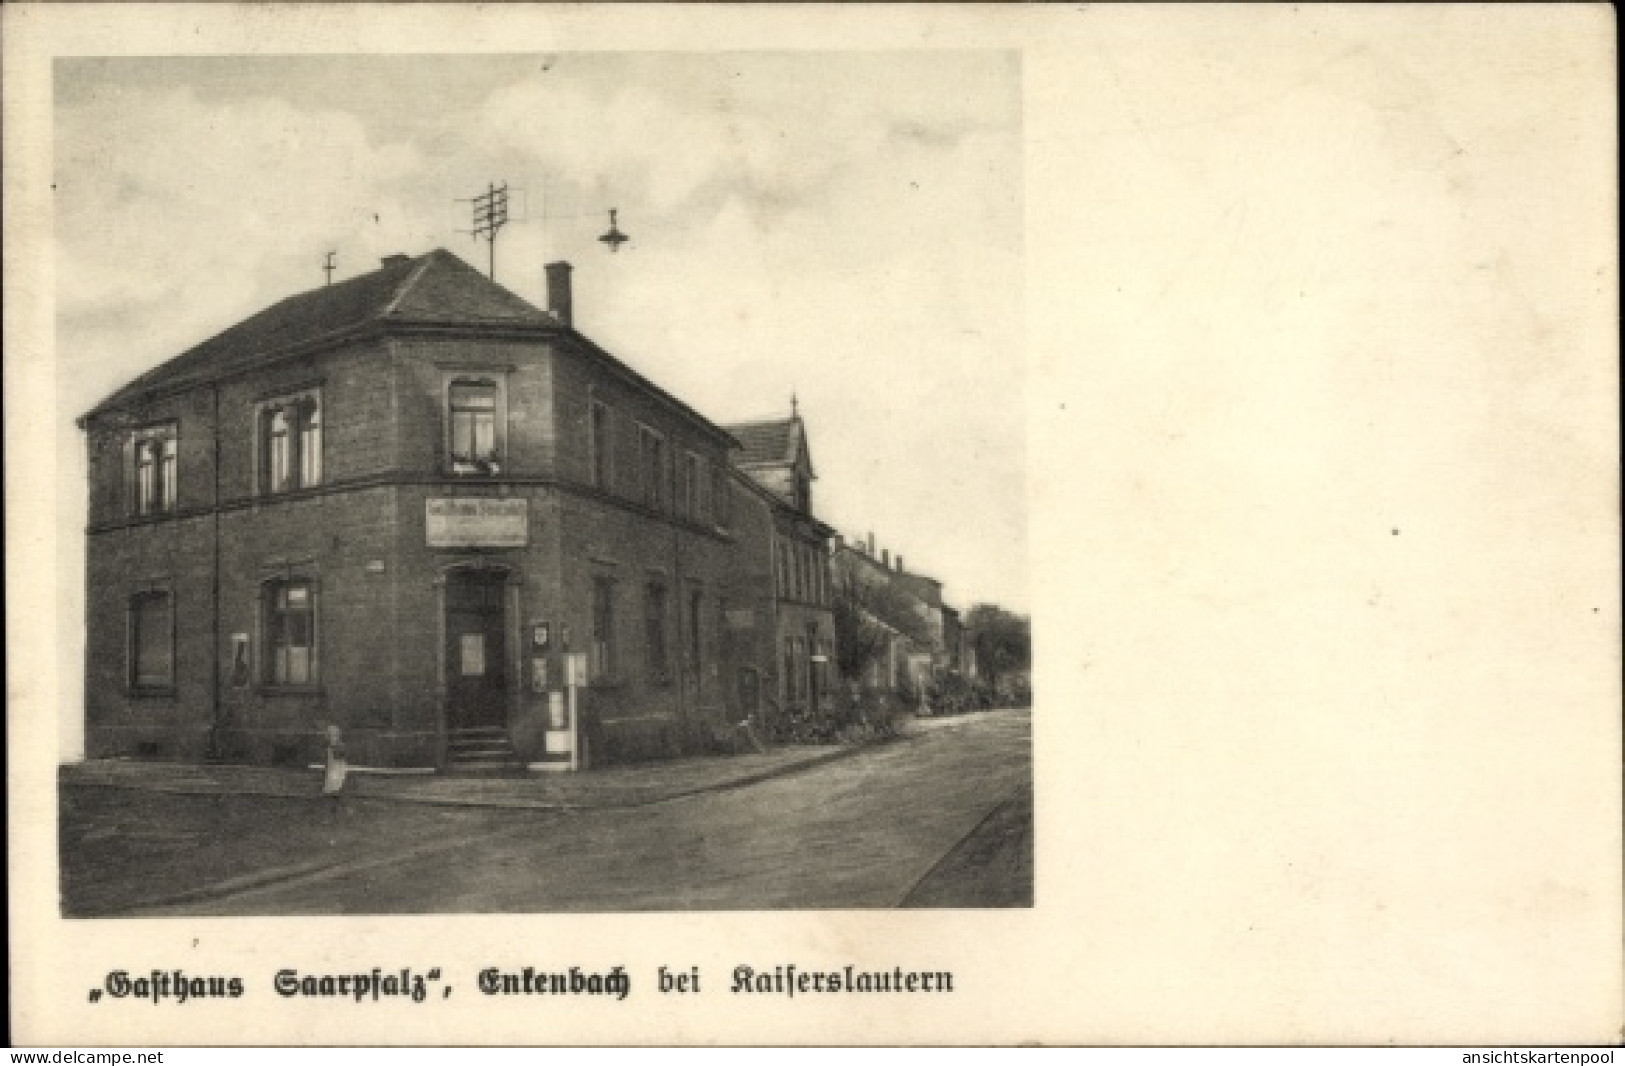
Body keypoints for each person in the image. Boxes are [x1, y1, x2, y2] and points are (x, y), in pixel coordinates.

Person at [322, 724, 348, 814]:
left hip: (338, 767)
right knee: (330, 787)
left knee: (336, 786)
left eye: (335, 736)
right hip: (332, 767)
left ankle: (337, 806)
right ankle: (331, 807)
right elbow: (328, 761)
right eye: (330, 736)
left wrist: (335, 749)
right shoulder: (328, 748)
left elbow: (340, 758)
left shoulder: (340, 746)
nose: (332, 738)